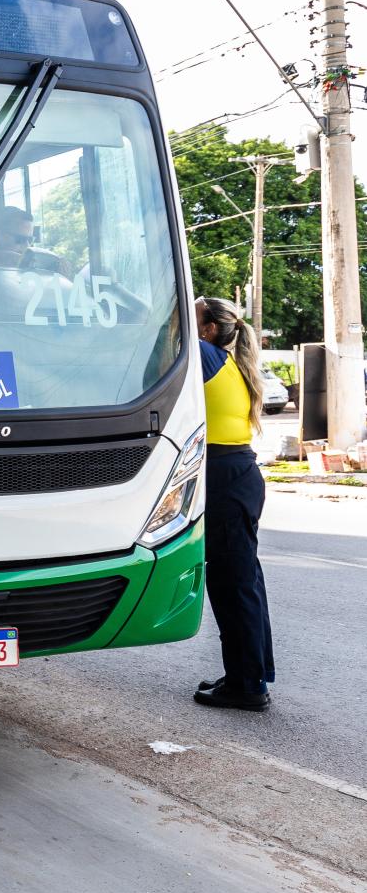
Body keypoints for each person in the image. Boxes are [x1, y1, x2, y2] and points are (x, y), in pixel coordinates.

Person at [193, 295, 275, 711]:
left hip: (225, 477)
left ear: (208, 330)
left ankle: (247, 685)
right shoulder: (233, 364)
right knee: (243, 582)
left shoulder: (206, 354)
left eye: (193, 318)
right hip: (238, 474)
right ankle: (249, 674)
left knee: (232, 584)